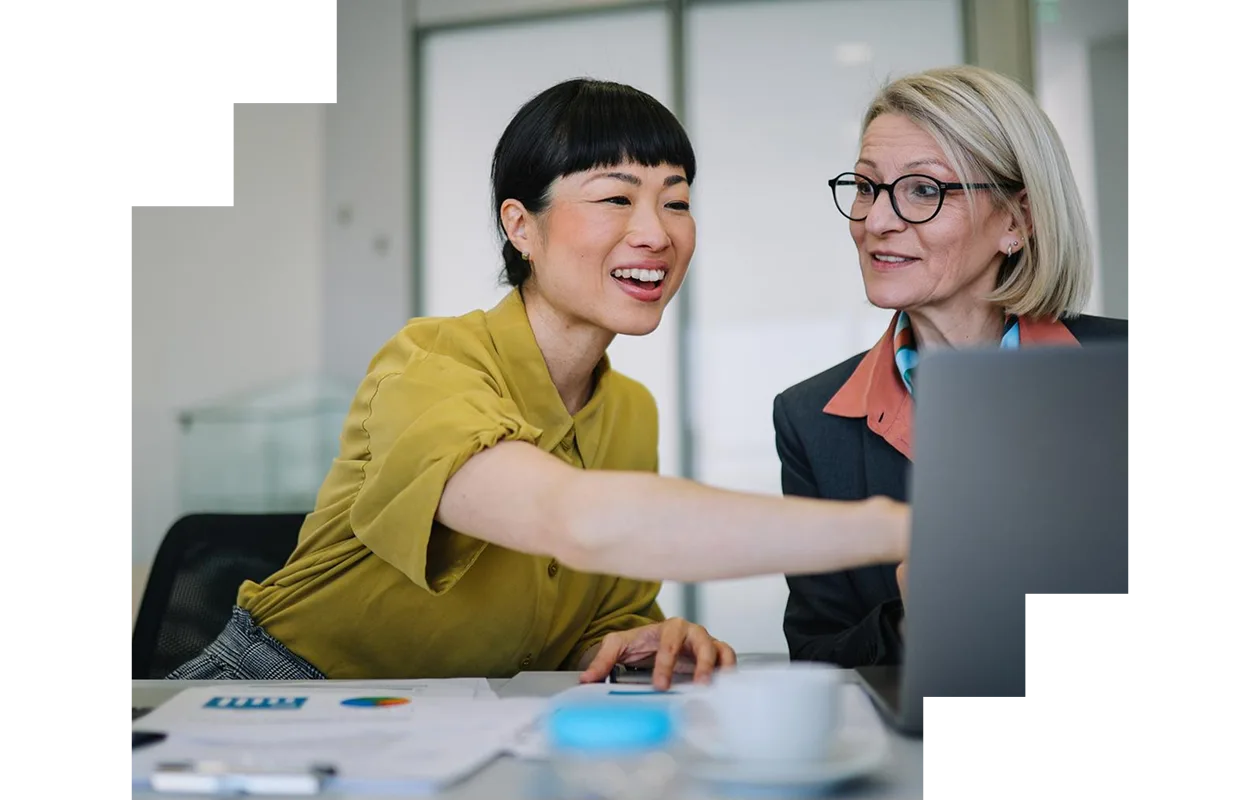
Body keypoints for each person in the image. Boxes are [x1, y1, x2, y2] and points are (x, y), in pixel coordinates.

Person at [167, 77, 910, 690]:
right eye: (616, 197)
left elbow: (593, 617)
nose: (656, 231)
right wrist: (910, 529)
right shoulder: (430, 363)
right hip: (280, 691)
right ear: (520, 226)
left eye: (676, 200)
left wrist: (641, 638)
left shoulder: (628, 409)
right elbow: (572, 518)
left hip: (465, 717)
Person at [775, 65, 1136, 668]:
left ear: (1017, 222)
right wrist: (916, 621)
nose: (875, 221)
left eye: (924, 190)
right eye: (866, 187)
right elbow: (817, 654)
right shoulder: (811, 418)